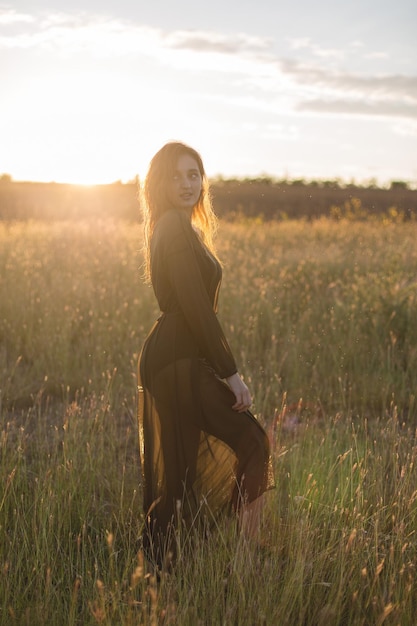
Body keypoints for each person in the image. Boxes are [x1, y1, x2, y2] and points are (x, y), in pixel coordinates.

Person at [138, 141, 274, 569]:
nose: (187, 183)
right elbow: (196, 307)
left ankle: (157, 571)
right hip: (176, 360)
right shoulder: (174, 227)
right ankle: (249, 557)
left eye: (193, 174)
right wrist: (230, 374)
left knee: (178, 481)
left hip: (170, 360)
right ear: (160, 183)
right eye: (176, 176)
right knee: (254, 441)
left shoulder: (174, 226)